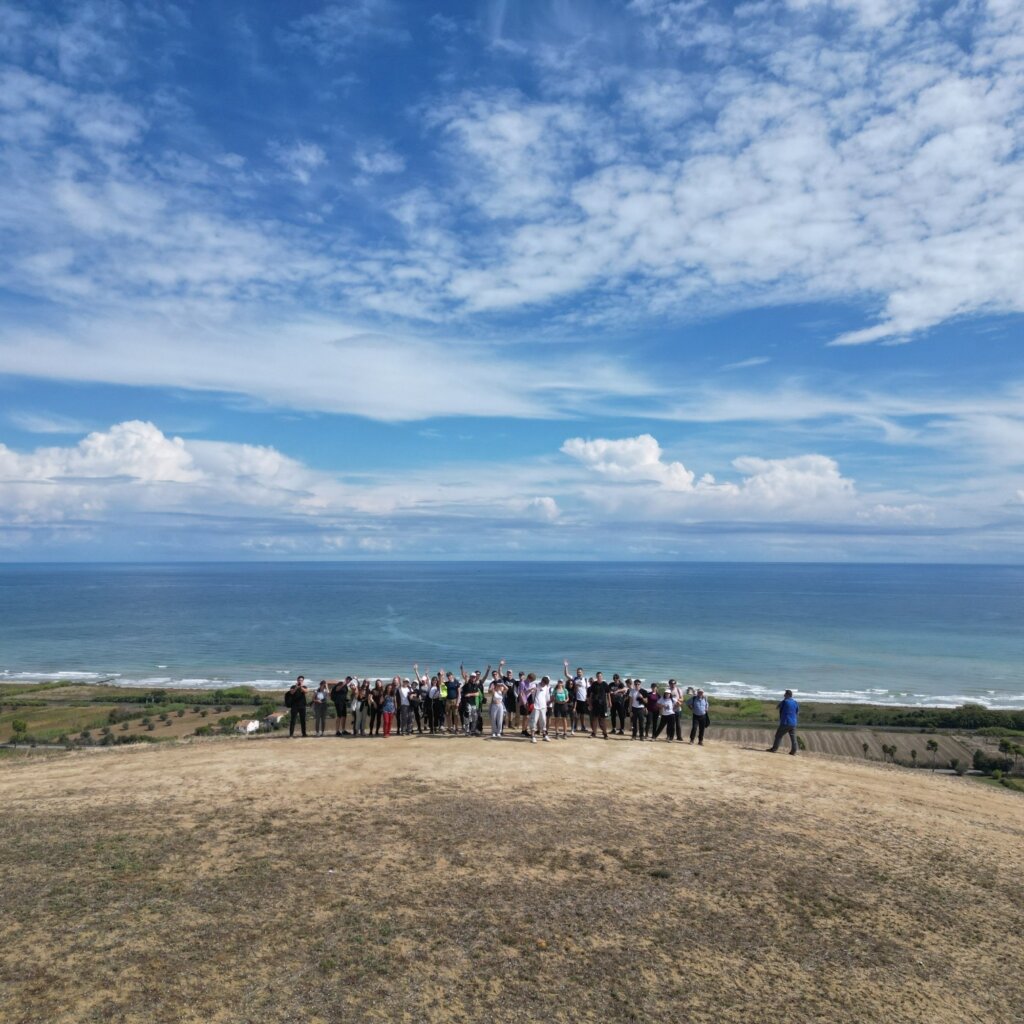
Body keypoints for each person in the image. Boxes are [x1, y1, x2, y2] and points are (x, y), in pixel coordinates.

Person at [767, 690, 799, 755]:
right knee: (793, 737)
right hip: (793, 723)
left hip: (785, 722)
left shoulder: (784, 702)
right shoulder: (795, 702)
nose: (784, 695)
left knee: (778, 735)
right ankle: (793, 751)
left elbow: (777, 707)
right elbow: (797, 711)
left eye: (785, 694)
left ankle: (774, 749)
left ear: (787, 695)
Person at [564, 661, 588, 734]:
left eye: (580, 672)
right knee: (575, 714)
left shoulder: (585, 679)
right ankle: (574, 727)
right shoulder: (574, 678)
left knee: (582, 714)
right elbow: (566, 674)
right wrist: (566, 666)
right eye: (578, 672)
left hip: (583, 699)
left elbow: (587, 688)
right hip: (576, 699)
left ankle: (583, 727)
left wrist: (587, 697)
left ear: (582, 673)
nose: (579, 673)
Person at [588, 671, 611, 739]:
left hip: (603, 705)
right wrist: (590, 704)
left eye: (600, 676)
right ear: (596, 677)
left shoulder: (605, 684)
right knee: (594, 719)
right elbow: (591, 695)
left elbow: (608, 694)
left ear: (602, 677)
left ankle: (605, 734)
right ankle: (594, 733)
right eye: (598, 676)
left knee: (602, 720)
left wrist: (610, 702)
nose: (599, 677)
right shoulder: (594, 684)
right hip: (595, 704)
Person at [530, 675, 551, 743]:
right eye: (543, 683)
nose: (544, 684)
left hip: (543, 707)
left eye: (545, 684)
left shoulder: (546, 687)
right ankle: (533, 736)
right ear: (541, 681)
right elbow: (530, 694)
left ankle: (544, 735)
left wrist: (547, 706)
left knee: (543, 721)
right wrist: (533, 690)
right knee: (534, 721)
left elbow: (547, 697)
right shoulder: (535, 686)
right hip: (535, 706)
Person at [487, 672, 507, 738]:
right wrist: (492, 688)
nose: (495, 675)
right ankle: (494, 732)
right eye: (493, 674)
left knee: (500, 719)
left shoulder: (501, 690)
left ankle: (499, 732)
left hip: (500, 705)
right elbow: (489, 691)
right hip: (494, 705)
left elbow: (506, 689)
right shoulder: (493, 686)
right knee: (493, 719)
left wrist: (502, 684)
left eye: (496, 674)